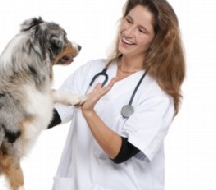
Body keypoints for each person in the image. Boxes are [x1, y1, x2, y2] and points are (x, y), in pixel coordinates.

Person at [48, 0, 185, 189]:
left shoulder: (158, 93)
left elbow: (121, 153)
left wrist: (90, 113)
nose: (128, 33)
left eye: (141, 30)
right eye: (128, 21)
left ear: (157, 41)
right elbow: (49, 116)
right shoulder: (91, 71)